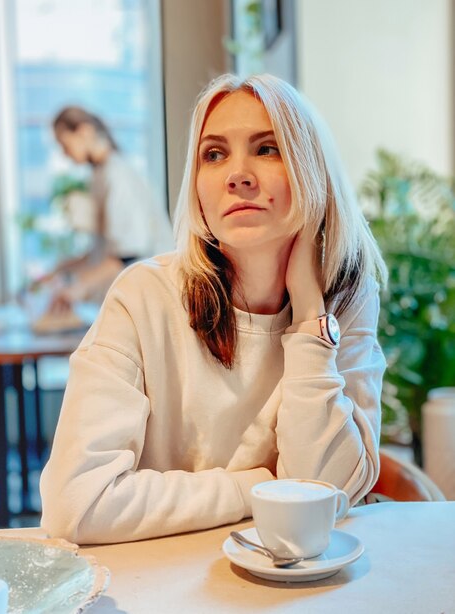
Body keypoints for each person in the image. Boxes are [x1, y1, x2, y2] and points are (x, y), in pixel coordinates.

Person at [40, 73, 388, 545]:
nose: (237, 174)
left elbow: (323, 492)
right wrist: (259, 486)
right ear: (197, 188)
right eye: (215, 154)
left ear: (313, 172)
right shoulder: (142, 297)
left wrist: (309, 317)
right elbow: (76, 505)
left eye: (267, 149)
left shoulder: (346, 299)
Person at [38, 106, 174, 313]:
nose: (65, 154)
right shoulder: (99, 176)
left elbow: (127, 255)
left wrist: (78, 287)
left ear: (84, 131)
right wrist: (61, 270)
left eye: (64, 145)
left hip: (154, 297)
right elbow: (103, 251)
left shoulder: (118, 175)